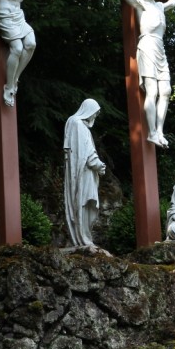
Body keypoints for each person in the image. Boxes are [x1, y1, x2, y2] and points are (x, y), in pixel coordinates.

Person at [92, 0, 175, 148]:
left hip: (160, 48)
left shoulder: (159, 6)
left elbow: (171, 3)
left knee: (166, 91)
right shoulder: (140, 4)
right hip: (147, 46)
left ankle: (160, 131)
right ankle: (152, 132)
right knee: (152, 91)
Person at [63, 99, 106, 247]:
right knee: (85, 202)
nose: (95, 117)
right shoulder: (78, 125)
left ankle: (85, 236)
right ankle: (83, 237)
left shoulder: (74, 123)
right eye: (95, 113)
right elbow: (87, 154)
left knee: (86, 202)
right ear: (89, 110)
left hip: (82, 171)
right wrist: (99, 165)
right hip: (84, 172)